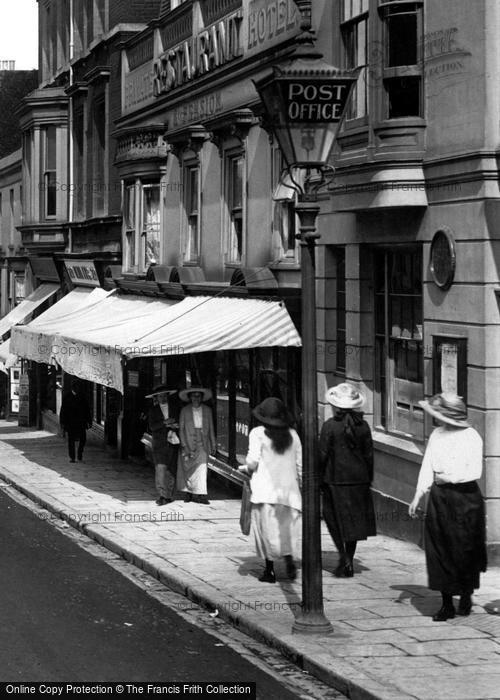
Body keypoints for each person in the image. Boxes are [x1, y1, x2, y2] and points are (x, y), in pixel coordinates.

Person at [409, 393, 487, 621]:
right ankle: (446, 604)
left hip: (466, 498)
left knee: (464, 548)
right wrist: (418, 494)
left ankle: (465, 593)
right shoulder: (436, 435)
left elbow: (474, 472)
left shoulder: (472, 437)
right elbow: (427, 466)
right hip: (440, 498)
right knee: (439, 548)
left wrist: (447, 478)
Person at [238, 397, 302, 583]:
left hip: (265, 492)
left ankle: (270, 571)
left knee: (267, 532)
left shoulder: (258, 433)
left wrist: (245, 468)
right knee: (287, 531)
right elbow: (300, 466)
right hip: (290, 493)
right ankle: (289, 561)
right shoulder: (293, 435)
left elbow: (252, 461)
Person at [319, 382, 376, 578]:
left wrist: (318, 479)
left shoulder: (329, 426)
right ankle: (349, 558)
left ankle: (343, 556)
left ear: (336, 406)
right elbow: (369, 455)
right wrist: (368, 478)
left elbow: (322, 454)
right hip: (358, 480)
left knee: (332, 518)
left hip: (335, 480)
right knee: (353, 522)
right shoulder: (364, 426)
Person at [177, 387, 215, 504]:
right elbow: (181, 429)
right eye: (194, 396)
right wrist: (184, 445)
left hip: (202, 442)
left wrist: (213, 444)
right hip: (188, 441)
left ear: (202, 398)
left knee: (202, 468)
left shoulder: (207, 410)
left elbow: (211, 428)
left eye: (198, 396)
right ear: (190, 398)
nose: (196, 398)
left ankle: (201, 495)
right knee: (188, 468)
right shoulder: (184, 410)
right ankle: (189, 492)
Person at [145, 386, 180, 506]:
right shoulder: (153, 411)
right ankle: (162, 495)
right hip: (159, 444)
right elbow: (152, 427)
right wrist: (165, 423)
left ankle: (168, 495)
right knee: (160, 469)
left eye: (165, 396)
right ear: (156, 398)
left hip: (172, 443)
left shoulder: (175, 408)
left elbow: (179, 422)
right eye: (160, 396)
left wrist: (175, 425)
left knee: (171, 470)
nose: (163, 398)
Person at [60, 379, 92, 463]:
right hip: (70, 423)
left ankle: (80, 453)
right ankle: (72, 457)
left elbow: (87, 410)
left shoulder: (82, 396)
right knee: (71, 440)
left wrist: (89, 421)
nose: (78, 389)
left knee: (83, 439)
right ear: (73, 388)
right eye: (77, 387)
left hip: (81, 422)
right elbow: (63, 411)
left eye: (79, 387)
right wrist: (63, 423)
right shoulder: (67, 397)